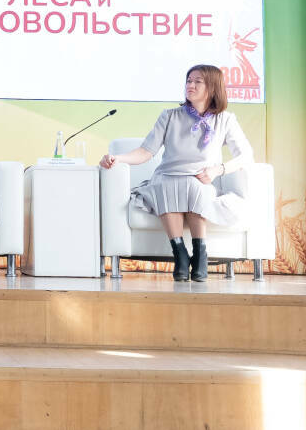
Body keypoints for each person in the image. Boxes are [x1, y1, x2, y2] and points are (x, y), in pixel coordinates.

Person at [100, 63, 252, 282]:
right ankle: (180, 253)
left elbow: (246, 155)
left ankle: (200, 253)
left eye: (197, 81)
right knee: (166, 185)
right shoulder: (169, 116)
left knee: (196, 186)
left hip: (200, 179)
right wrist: (118, 158)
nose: (191, 85)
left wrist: (218, 169)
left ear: (213, 88)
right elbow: (146, 151)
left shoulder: (226, 119)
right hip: (168, 176)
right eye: (189, 81)